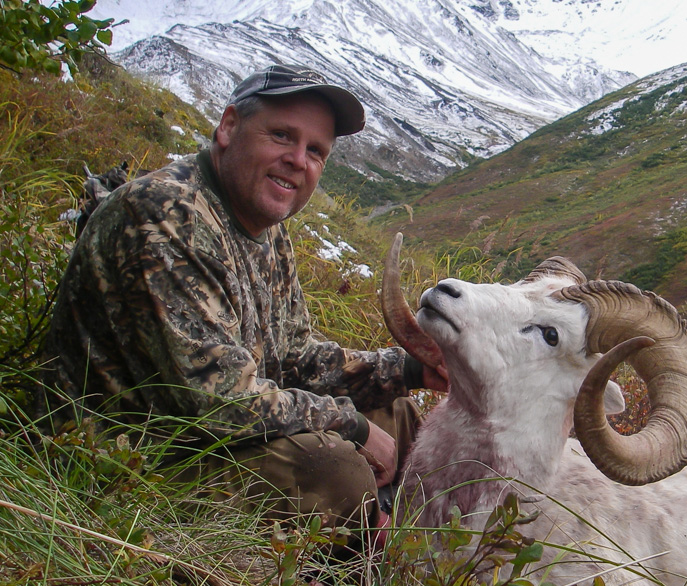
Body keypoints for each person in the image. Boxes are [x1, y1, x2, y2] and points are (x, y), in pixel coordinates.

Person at [40, 64, 444, 541]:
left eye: (316, 151)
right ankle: (364, 552)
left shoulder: (265, 227)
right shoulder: (165, 216)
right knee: (334, 471)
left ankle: (402, 532)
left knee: (395, 412)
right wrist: (351, 427)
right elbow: (218, 403)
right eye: (281, 136)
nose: (298, 159)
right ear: (229, 127)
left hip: (198, 431)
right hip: (122, 455)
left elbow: (293, 357)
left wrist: (411, 370)